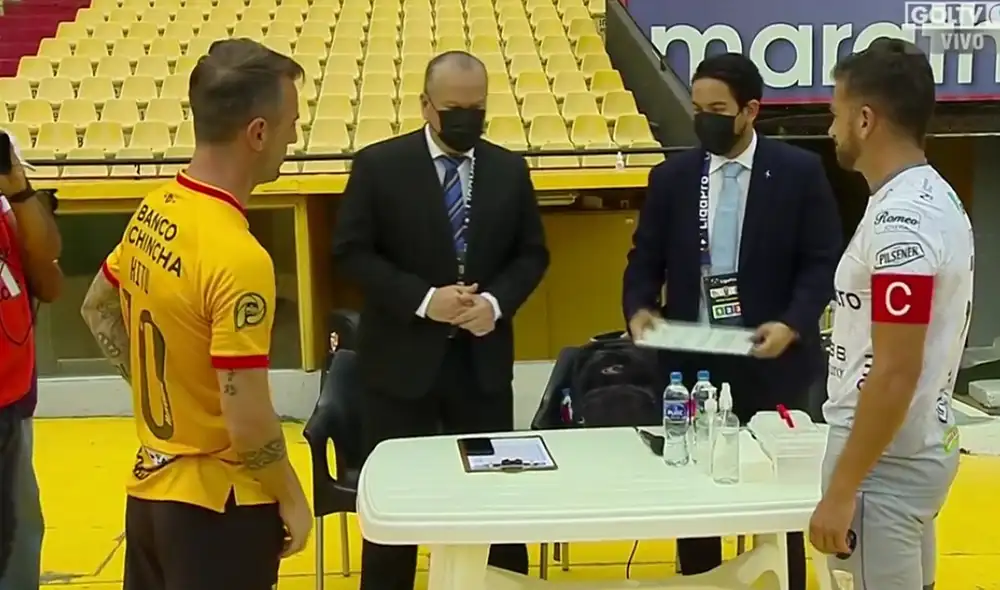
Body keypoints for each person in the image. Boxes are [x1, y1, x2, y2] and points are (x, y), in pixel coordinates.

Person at [78, 39, 312, 590]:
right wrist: (293, 497)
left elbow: (95, 307)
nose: (295, 137)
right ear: (258, 133)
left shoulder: (155, 209)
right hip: (219, 511)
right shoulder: (238, 256)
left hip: (150, 493)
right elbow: (247, 420)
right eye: (291, 124)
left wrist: (167, 392)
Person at [621, 52, 842, 589]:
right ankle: (700, 578)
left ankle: (786, 578)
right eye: (698, 109)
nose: (705, 120)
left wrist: (793, 322)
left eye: (717, 110)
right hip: (691, 361)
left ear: (750, 110)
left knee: (778, 498)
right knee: (695, 496)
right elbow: (644, 259)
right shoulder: (673, 177)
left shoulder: (798, 172)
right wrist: (639, 308)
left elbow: (822, 260)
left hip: (772, 361)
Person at [332, 50, 549, 590]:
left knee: (496, 506)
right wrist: (425, 299)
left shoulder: (509, 169)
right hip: (398, 368)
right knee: (396, 511)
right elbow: (351, 253)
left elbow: (531, 255)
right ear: (426, 106)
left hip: (482, 368)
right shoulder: (379, 166)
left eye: (477, 109)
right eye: (454, 109)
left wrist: (493, 304)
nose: (466, 119)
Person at [810, 38, 971, 590]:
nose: (831, 129)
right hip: (913, 448)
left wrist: (841, 490)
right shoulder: (935, 197)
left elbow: (896, 369)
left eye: (835, 114)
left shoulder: (903, 221)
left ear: (865, 119)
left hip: (882, 466)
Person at [0, 135, 61, 582]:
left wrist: (19, 189)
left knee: (20, 532)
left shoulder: (6, 207)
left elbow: (50, 279)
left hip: (12, 398)